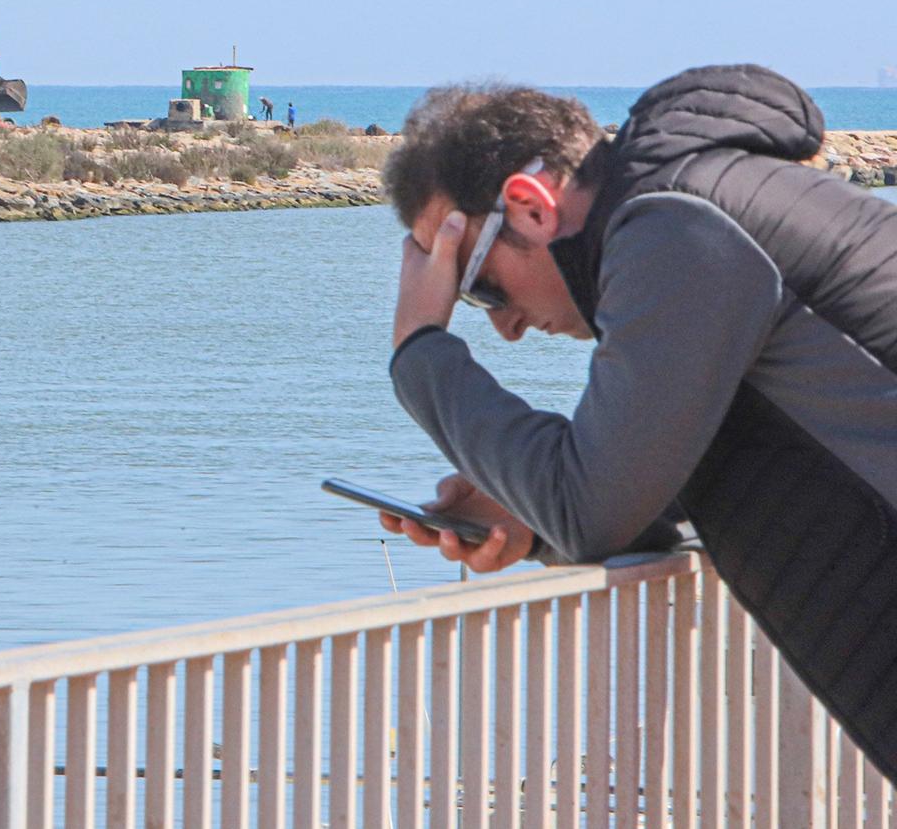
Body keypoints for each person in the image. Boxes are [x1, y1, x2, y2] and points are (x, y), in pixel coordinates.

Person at [373, 66, 897, 780]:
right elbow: (757, 468)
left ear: (529, 206)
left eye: (477, 286)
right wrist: (531, 519)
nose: (507, 327)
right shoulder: (693, 207)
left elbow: (593, 508)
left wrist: (420, 350)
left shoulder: (679, 228)